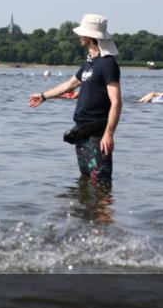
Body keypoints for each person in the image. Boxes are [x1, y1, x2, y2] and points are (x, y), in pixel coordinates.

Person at [28, 14, 122, 184]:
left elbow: (116, 102)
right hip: (82, 132)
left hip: (98, 135)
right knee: (85, 182)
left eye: (82, 33)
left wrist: (109, 135)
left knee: (101, 184)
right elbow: (70, 84)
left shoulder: (108, 64)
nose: (79, 37)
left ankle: (103, 211)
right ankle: (85, 210)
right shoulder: (89, 64)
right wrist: (43, 96)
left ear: (89, 36)